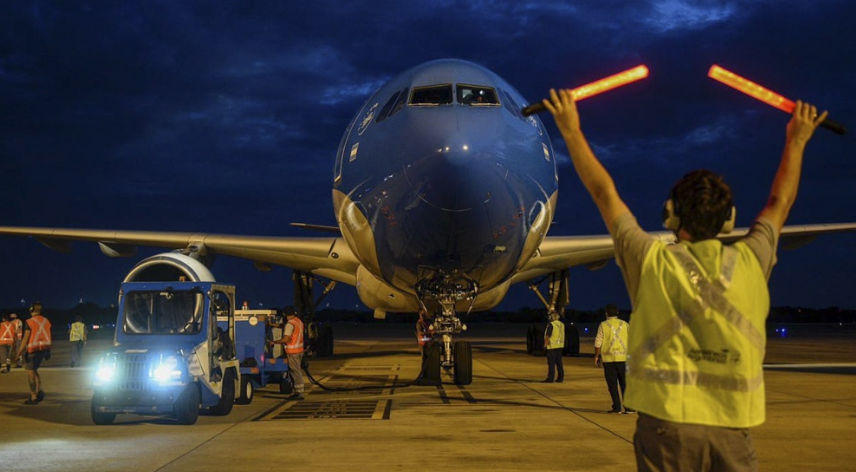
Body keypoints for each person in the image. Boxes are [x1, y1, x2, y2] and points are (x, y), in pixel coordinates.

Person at [544, 88, 826, 471]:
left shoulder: (651, 261)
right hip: (732, 432)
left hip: (667, 431)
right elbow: (780, 203)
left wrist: (570, 129)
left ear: (670, 216)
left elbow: (604, 193)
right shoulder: (750, 260)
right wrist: (798, 139)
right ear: (729, 220)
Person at [594, 304, 631, 414]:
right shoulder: (625, 324)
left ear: (606, 313)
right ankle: (629, 408)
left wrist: (597, 356)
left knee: (612, 385)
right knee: (625, 384)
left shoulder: (603, 325)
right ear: (617, 312)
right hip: (623, 359)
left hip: (609, 360)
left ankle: (617, 407)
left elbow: (598, 342)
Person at [15, 301, 52, 404]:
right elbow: (48, 335)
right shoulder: (46, 321)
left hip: (33, 350)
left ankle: (33, 396)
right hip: (43, 349)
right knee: (35, 370)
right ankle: (39, 391)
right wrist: (48, 351)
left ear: (31, 310)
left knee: (31, 372)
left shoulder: (29, 322)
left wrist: (18, 354)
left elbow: (25, 340)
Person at [268, 305, 305, 401]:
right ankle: (298, 392)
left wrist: (274, 342)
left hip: (293, 352)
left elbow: (286, 339)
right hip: (299, 350)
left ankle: (299, 393)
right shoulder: (298, 321)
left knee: (295, 372)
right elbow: (285, 327)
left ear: (285, 314)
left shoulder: (289, 324)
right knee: (296, 371)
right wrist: (273, 325)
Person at [542, 311, 565, 383]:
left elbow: (548, 336)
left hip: (552, 346)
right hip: (560, 346)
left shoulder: (551, 325)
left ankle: (550, 378)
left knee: (551, 363)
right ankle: (560, 377)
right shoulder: (562, 324)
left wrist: (545, 345)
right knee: (559, 363)